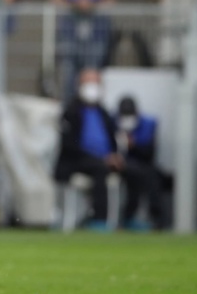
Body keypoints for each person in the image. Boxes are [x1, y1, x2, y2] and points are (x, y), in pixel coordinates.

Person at [54, 69, 153, 231]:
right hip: (78, 161)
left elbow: (113, 140)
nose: (92, 88)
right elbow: (69, 146)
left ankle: (129, 217)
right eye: (88, 83)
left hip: (105, 159)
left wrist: (115, 156)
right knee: (101, 169)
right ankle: (99, 219)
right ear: (79, 86)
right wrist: (102, 160)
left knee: (137, 171)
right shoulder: (70, 112)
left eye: (96, 83)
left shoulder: (104, 113)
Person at [50, 0, 114, 104]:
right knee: (68, 70)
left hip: (96, 29)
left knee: (93, 69)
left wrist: (93, 3)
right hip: (70, 28)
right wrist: (73, 3)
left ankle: (93, 105)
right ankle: (69, 105)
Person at [115, 96, 164, 230]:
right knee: (134, 175)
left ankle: (156, 219)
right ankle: (126, 217)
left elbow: (150, 154)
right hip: (118, 165)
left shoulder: (147, 124)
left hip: (141, 165)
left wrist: (133, 145)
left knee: (151, 176)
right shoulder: (112, 123)